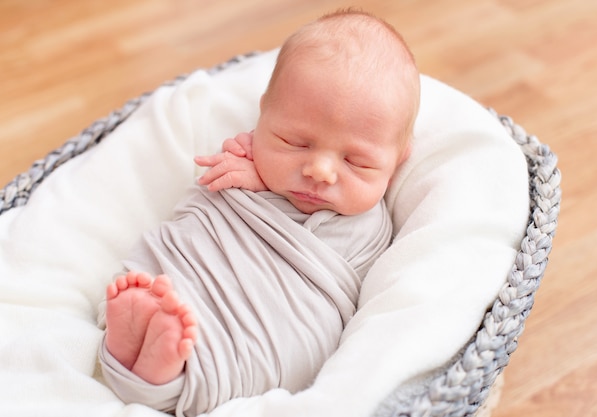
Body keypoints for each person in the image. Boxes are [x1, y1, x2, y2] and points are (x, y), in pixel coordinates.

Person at [99, 9, 420, 415]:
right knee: (159, 279)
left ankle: (174, 368)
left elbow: (328, 295)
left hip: (269, 320)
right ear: (264, 113)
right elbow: (198, 214)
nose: (319, 170)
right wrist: (247, 181)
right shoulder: (245, 162)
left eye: (357, 161)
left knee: (301, 343)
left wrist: (266, 179)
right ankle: (141, 336)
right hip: (195, 275)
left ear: (398, 160)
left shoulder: (369, 225)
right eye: (295, 142)